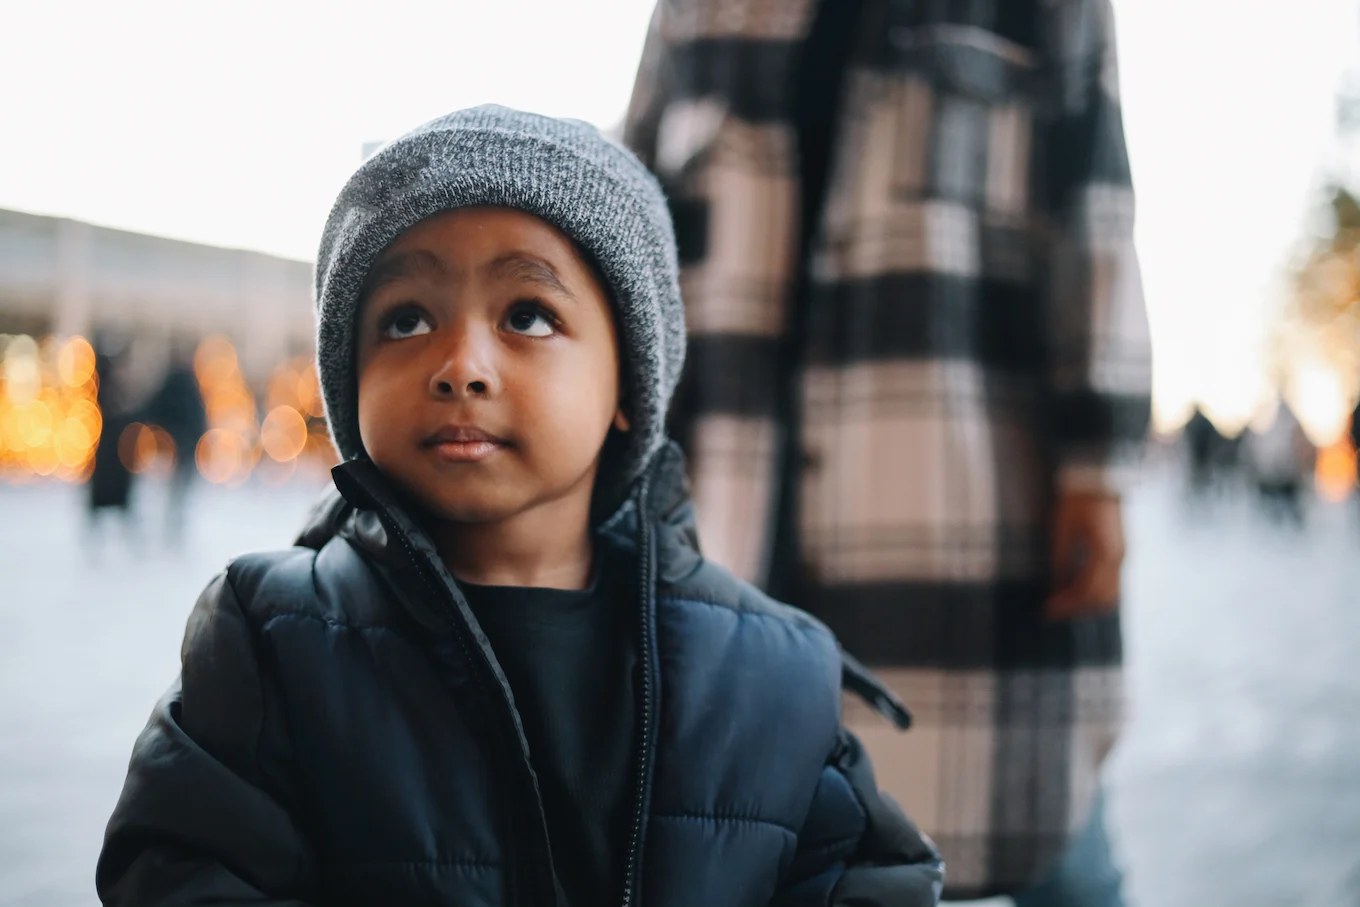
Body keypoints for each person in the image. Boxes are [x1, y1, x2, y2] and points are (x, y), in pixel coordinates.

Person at [96, 106, 943, 907]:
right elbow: (179, 868)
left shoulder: (770, 671)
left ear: (627, 385)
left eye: (528, 316)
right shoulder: (271, 638)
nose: (460, 363)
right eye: (405, 320)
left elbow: (870, 880)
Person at [625, 0, 1152, 902]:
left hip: (965, 492)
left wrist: (1098, 460)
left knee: (1047, 829)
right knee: (758, 835)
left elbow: (1093, 205)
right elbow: (627, 212)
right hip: (730, 502)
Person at [141, 343, 207, 541]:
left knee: (175, 493)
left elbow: (155, 411)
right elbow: (196, 417)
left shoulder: (176, 383)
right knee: (177, 492)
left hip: (177, 446)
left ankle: (172, 528)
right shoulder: (186, 384)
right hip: (180, 447)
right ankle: (173, 529)